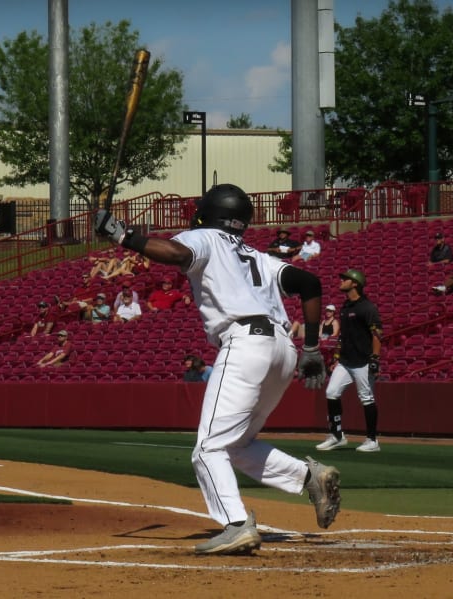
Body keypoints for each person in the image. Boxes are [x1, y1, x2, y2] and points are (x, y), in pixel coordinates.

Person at [95, 183, 341, 556]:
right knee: (237, 445)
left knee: (208, 447)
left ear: (207, 212)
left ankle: (237, 525)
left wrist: (121, 234)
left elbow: (176, 253)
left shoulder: (204, 237)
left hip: (245, 342)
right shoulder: (259, 256)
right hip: (282, 349)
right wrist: (311, 347)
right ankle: (310, 477)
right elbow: (309, 282)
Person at [315, 269, 383, 453]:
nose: (341, 281)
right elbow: (342, 337)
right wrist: (336, 358)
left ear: (355, 283)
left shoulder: (367, 307)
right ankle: (337, 436)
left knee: (366, 398)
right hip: (345, 361)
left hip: (363, 361)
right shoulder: (345, 307)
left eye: (345, 279)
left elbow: (377, 334)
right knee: (331, 392)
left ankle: (372, 440)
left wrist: (375, 359)